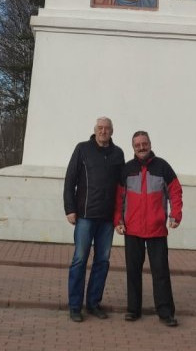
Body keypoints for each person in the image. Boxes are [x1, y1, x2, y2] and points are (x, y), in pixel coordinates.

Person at [114, 130, 182, 327]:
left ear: (150, 143)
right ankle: (133, 310)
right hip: (132, 229)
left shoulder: (163, 166)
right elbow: (118, 199)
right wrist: (118, 220)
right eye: (137, 145)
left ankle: (166, 312)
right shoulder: (126, 169)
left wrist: (175, 214)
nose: (141, 147)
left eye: (144, 143)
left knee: (160, 272)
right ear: (133, 147)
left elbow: (175, 192)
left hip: (156, 229)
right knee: (133, 272)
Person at [64, 116, 125, 322]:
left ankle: (93, 303)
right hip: (85, 217)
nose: (103, 131)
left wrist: (120, 216)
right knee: (79, 260)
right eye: (100, 128)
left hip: (107, 220)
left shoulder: (118, 154)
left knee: (102, 262)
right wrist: (70, 209)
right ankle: (75, 306)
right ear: (95, 129)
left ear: (112, 131)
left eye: (107, 128)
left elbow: (122, 187)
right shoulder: (82, 149)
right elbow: (70, 180)